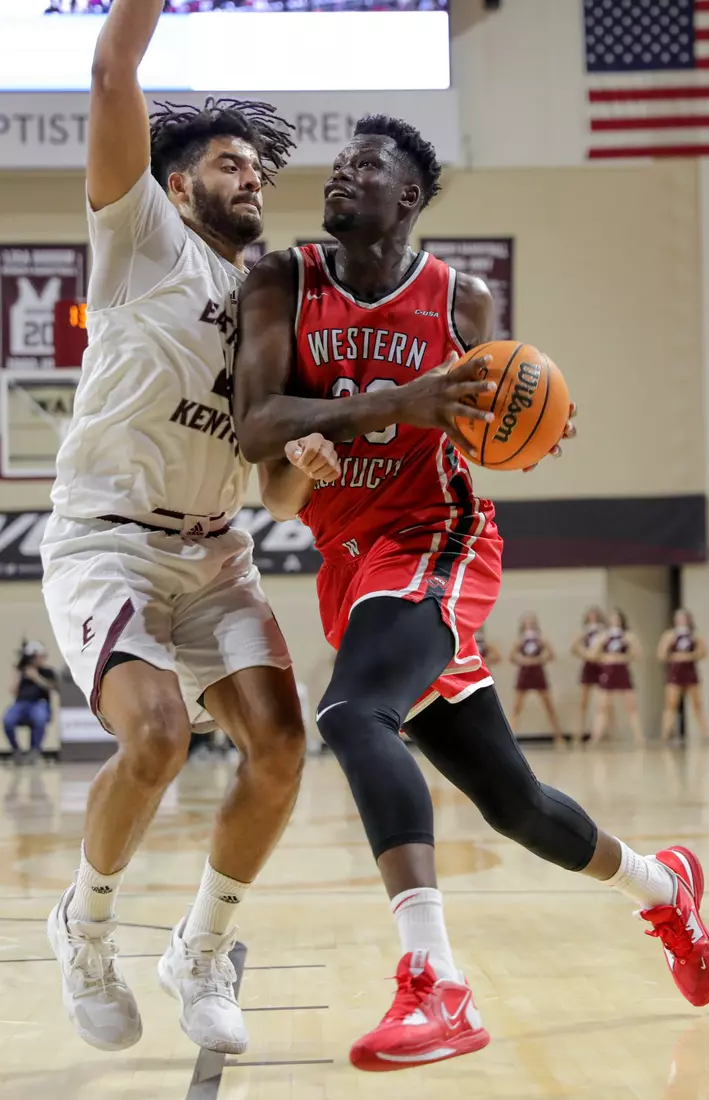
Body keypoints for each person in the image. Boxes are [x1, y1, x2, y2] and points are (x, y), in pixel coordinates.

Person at [233, 115, 709, 1071]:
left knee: (351, 711)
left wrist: (531, 420)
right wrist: (381, 408)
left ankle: (435, 985)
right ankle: (665, 889)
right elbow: (255, 427)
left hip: (437, 542)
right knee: (514, 804)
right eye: (338, 166)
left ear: (407, 196)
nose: (342, 178)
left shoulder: (461, 300)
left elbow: (488, 417)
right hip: (350, 560)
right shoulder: (280, 279)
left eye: (365, 167)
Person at [39, 0, 302, 1058]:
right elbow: (112, 70)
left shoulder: (273, 308)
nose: (253, 179)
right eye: (232, 164)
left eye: (259, 169)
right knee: (154, 734)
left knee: (282, 748)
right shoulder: (142, 236)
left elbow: (279, 491)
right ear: (180, 181)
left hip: (218, 553)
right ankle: (86, 925)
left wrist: (309, 463)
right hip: (108, 540)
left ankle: (200, 949)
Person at [509, 612, 565, 748]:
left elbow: (551, 655)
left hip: (538, 673)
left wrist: (539, 659)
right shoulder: (519, 640)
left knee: (549, 706)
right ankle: (510, 740)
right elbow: (512, 656)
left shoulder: (541, 638)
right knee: (517, 708)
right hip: (524, 673)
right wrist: (523, 660)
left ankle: (559, 738)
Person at [590, 609, 645, 746]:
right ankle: (595, 738)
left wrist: (624, 656)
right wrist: (604, 656)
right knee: (602, 706)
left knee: (631, 706)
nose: (614, 621)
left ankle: (639, 738)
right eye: (611, 618)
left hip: (622, 671)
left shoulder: (628, 636)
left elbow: (638, 654)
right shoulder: (603, 636)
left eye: (617, 618)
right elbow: (592, 655)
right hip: (608, 671)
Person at [657, 609, 709, 744]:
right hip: (675, 672)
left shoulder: (695, 635)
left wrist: (691, 655)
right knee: (671, 704)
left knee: (697, 705)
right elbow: (661, 655)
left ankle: (705, 735)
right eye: (678, 617)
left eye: (683, 617)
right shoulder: (669, 635)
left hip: (690, 672)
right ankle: (665, 735)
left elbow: (704, 652)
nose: (680, 620)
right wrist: (673, 654)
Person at [3, 643, 58, 764]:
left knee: (39, 718)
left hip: (39, 703)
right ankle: (16, 751)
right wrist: (17, 675)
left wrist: (36, 677)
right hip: (21, 703)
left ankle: (35, 751)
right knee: (7, 720)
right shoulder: (21, 672)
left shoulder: (47, 672)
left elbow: (53, 688)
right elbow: (13, 691)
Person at [570, 606, 606, 745]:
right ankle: (578, 734)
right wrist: (586, 652)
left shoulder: (603, 633)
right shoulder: (584, 633)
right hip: (588, 667)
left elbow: (599, 652)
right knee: (583, 703)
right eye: (590, 617)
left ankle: (601, 734)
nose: (592, 620)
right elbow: (575, 649)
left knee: (604, 703)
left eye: (595, 617)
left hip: (602, 667)